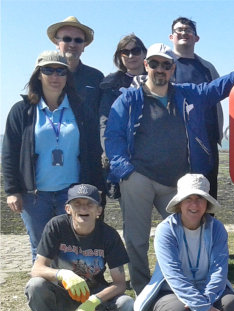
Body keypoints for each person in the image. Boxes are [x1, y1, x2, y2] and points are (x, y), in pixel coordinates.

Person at [105, 42, 234, 294]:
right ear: (146, 66)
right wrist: (124, 171)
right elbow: (113, 136)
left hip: (177, 182)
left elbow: (217, 88)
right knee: (136, 240)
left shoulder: (187, 93)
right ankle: (142, 289)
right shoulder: (128, 98)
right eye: (155, 64)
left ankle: (181, 283)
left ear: (173, 69)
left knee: (185, 234)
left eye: (166, 65)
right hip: (138, 177)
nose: (160, 69)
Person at [2, 51, 103, 262]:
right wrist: (12, 191)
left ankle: (71, 293)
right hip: (35, 196)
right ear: (38, 75)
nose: (55, 76)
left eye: (61, 71)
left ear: (68, 76)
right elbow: (10, 153)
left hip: (72, 193)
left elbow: (93, 152)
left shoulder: (80, 109)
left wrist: (96, 188)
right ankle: (43, 293)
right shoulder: (22, 111)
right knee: (41, 249)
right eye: (48, 70)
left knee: (73, 247)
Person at [133, 174, 234, 311]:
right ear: (179, 203)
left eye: (200, 198)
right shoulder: (165, 230)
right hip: (171, 291)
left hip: (207, 288)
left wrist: (204, 304)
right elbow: (173, 274)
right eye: (188, 199)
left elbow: (219, 270)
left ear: (207, 203)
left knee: (232, 304)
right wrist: (199, 306)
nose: (194, 204)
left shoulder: (217, 228)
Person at [24, 184, 134, 311]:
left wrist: (92, 302)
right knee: (35, 286)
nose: (83, 208)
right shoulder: (56, 226)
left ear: (99, 210)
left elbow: (120, 283)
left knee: (127, 305)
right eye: (77, 204)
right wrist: (62, 274)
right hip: (63, 292)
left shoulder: (109, 235)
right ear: (68, 208)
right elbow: (36, 269)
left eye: (89, 204)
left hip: (94, 293)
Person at [169, 17, 224, 199]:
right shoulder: (164, 66)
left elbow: (217, 98)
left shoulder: (207, 68)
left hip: (206, 141)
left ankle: (207, 228)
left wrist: (217, 135)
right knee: (178, 198)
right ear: (171, 37)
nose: (184, 33)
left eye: (188, 30)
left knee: (207, 195)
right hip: (175, 143)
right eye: (179, 30)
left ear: (196, 38)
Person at [99, 34, 147, 199]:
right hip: (126, 157)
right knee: (132, 215)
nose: (131, 55)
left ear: (144, 53)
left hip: (157, 157)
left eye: (135, 50)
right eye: (125, 52)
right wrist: (110, 154)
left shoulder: (161, 77)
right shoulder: (110, 84)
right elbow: (104, 123)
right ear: (119, 56)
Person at [47, 16, 104, 118]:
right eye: (67, 39)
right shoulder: (45, 74)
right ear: (57, 43)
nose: (72, 44)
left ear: (84, 46)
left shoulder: (96, 77)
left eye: (78, 40)